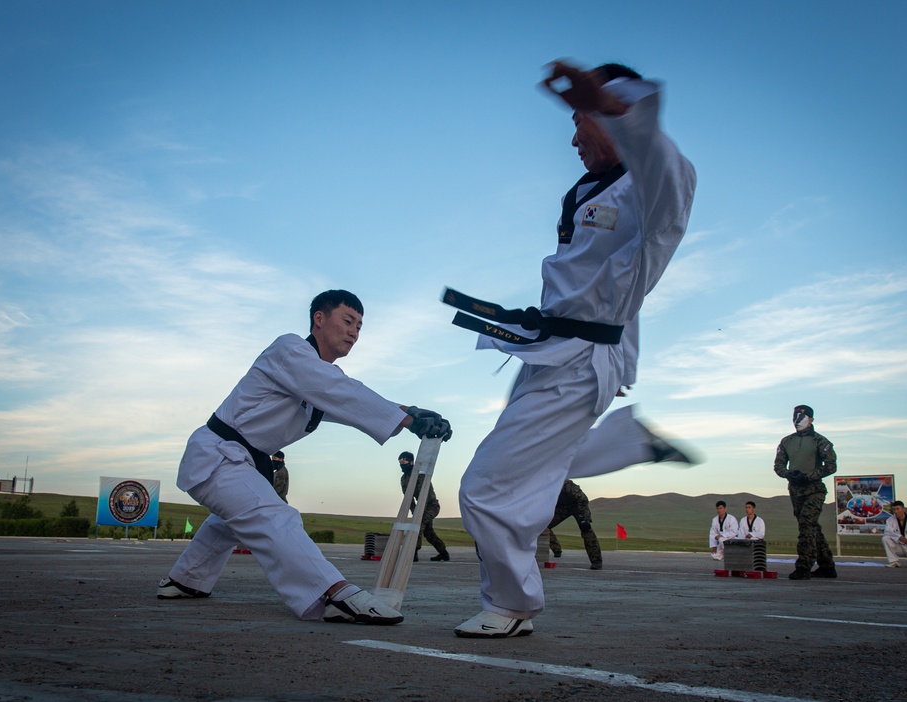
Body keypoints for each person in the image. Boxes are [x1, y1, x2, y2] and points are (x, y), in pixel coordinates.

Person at [450, 59, 697, 638]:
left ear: (614, 114)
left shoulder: (652, 185)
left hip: (579, 363)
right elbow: (596, 284)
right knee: (538, 465)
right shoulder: (586, 190)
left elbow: (667, 184)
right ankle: (628, 439)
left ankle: (512, 604)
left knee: (486, 485)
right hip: (550, 351)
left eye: (580, 119)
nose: (572, 136)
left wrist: (620, 110)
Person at [156, 289, 452, 626]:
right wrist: (410, 420)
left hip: (240, 464)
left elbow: (343, 400)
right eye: (348, 320)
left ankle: (187, 579)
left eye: (360, 326)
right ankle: (333, 594)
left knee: (231, 520)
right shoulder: (289, 351)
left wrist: (413, 412)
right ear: (319, 319)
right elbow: (339, 390)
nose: (354, 331)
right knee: (273, 517)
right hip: (216, 455)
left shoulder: (314, 382)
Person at [773, 404, 837, 580]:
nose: (797, 421)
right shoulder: (787, 442)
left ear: (811, 420)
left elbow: (831, 466)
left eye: (801, 418)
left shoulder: (820, 441)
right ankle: (827, 566)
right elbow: (778, 465)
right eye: (794, 417)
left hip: (814, 490)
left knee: (806, 525)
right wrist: (789, 474)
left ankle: (803, 566)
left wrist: (810, 476)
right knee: (812, 527)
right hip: (795, 490)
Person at [398, 451, 450, 562]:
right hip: (420, 508)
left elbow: (425, 494)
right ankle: (444, 553)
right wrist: (414, 510)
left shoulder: (420, 475)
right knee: (428, 533)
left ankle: (414, 552)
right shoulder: (404, 479)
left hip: (431, 506)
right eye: (400, 461)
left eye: (405, 460)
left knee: (418, 524)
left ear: (412, 462)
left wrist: (419, 512)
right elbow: (408, 499)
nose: (402, 463)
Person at [545, 480, 603, 569]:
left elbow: (582, 500)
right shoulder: (544, 487)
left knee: (586, 529)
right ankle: (556, 549)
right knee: (542, 526)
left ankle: (596, 561)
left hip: (577, 506)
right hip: (561, 507)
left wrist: (584, 519)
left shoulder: (568, 486)